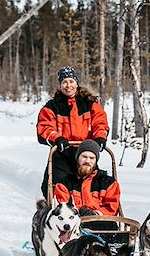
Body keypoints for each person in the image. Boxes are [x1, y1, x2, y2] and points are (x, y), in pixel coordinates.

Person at [37, 66, 109, 197]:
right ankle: (58, 209)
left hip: (85, 153)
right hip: (62, 153)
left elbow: (100, 123)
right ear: (60, 85)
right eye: (64, 82)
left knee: (90, 186)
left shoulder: (90, 104)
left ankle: (91, 211)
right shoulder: (51, 107)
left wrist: (100, 138)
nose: (68, 85)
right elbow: (45, 127)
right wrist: (57, 138)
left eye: (71, 81)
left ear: (76, 83)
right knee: (57, 186)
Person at [54, 139, 121, 230]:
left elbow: (112, 207)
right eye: (84, 157)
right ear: (77, 158)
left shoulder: (108, 183)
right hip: (75, 226)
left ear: (96, 160)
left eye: (92, 158)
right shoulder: (64, 184)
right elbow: (63, 207)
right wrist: (80, 211)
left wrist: (96, 214)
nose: (88, 161)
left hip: (103, 225)